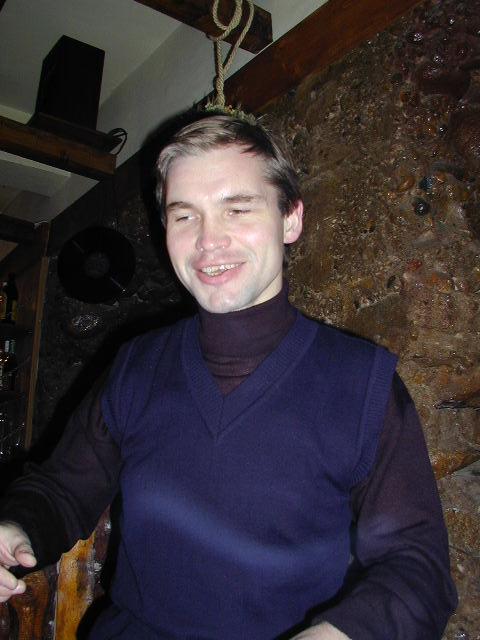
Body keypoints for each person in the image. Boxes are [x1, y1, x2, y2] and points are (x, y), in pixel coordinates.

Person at [0, 114, 457, 639]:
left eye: (237, 209)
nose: (208, 241)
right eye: (185, 216)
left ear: (290, 220)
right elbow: (62, 488)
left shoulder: (362, 383)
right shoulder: (135, 366)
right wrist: (14, 527)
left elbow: (417, 567)